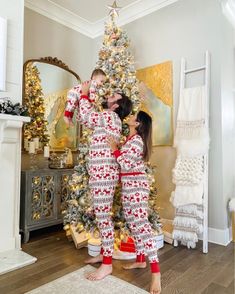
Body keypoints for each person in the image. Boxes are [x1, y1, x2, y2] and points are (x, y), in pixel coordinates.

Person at [79, 81, 133, 281]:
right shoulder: (110, 118)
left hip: (103, 175)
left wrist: (84, 94)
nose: (110, 95)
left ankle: (107, 265)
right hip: (101, 172)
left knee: (103, 217)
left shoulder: (109, 116)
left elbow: (85, 116)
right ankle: (104, 253)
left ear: (115, 106)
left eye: (114, 96)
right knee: (101, 215)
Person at [108, 111, 161, 294]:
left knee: (142, 226)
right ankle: (140, 259)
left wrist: (115, 148)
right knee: (133, 223)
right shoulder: (130, 140)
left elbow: (126, 163)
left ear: (138, 124)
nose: (130, 116)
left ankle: (156, 273)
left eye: (133, 116)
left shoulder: (137, 141)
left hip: (137, 186)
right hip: (129, 185)